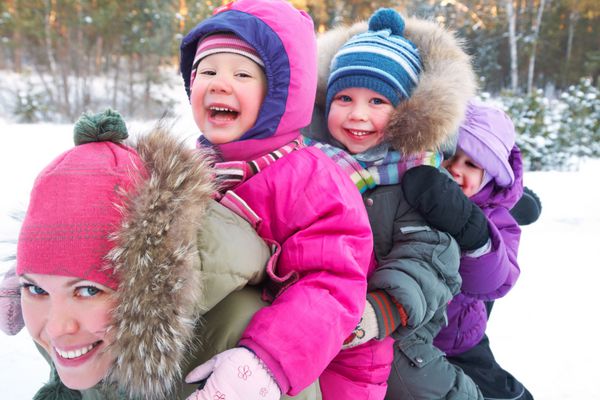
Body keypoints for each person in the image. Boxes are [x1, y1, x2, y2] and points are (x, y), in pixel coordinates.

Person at [179, 0, 387, 398]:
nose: (219, 84)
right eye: (206, 71)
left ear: (280, 92)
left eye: (241, 73)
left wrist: (266, 358)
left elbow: (330, 284)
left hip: (316, 364)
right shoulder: (188, 166)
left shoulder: (311, 179)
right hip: (208, 347)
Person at [12, 108, 280, 400]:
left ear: (151, 283)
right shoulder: (85, 346)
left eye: (88, 290)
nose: (56, 328)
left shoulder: (247, 350)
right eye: (36, 288)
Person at [304, 8, 486, 400]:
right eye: (345, 98)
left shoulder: (415, 176)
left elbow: (431, 255)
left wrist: (384, 309)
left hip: (399, 328)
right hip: (315, 319)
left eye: (378, 102)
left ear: (404, 113)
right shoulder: (307, 163)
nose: (357, 114)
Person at [401, 100, 534, 399]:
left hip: (459, 337)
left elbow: (497, 279)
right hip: (409, 329)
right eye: (450, 156)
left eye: (471, 165)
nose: (456, 170)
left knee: (498, 393)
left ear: (490, 177)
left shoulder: (497, 220)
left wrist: (475, 237)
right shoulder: (420, 192)